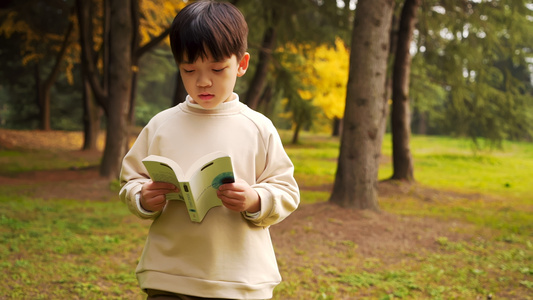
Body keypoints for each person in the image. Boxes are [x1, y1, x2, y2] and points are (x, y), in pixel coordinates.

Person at [119, 1, 300, 299]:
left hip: (239, 280)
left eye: (217, 69)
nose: (203, 81)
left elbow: (286, 190)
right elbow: (131, 180)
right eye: (189, 70)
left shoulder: (258, 127)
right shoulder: (162, 125)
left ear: (241, 65)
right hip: (169, 275)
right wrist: (143, 197)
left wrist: (255, 199)